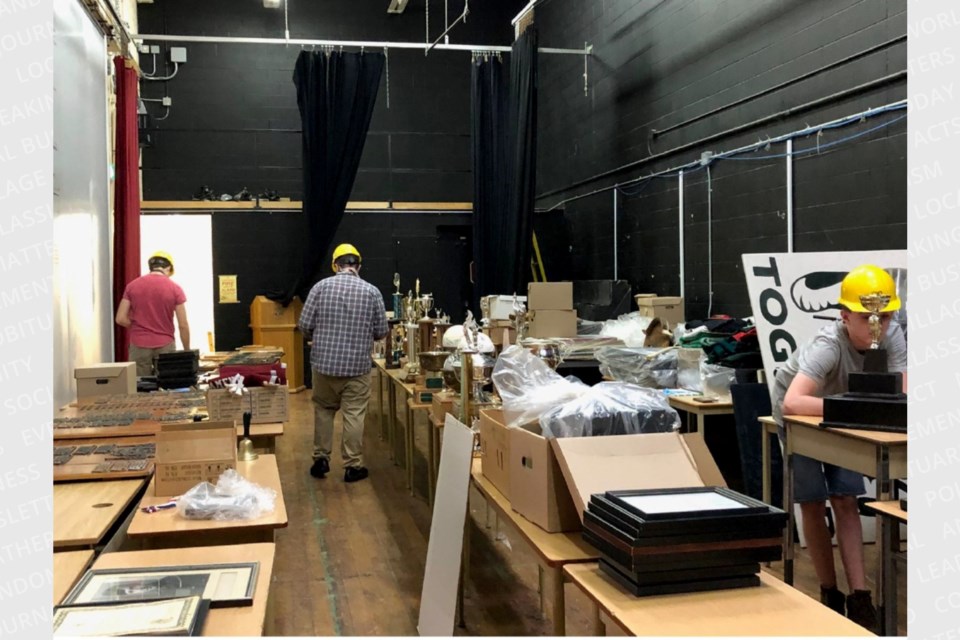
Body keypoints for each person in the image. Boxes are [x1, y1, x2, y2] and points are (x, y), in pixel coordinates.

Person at [772, 264, 907, 630]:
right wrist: (857, 406)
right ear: (845, 315)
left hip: (844, 410)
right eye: (867, 317)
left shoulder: (892, 335)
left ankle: (860, 596)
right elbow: (793, 402)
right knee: (813, 501)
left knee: (846, 499)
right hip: (804, 411)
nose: (878, 325)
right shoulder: (827, 346)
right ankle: (829, 592)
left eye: (887, 315)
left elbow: (904, 392)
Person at [298, 243, 388, 483]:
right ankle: (353, 466)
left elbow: (304, 325)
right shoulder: (372, 292)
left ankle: (321, 459)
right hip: (356, 368)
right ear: (358, 265)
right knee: (354, 415)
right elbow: (381, 331)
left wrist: (317, 336)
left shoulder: (320, 288)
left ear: (335, 265)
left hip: (323, 366)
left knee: (324, 411)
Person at [115, 251, 190, 376]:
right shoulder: (175, 289)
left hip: (139, 344)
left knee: (140, 387)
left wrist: (138, 326)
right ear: (168, 268)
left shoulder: (132, 286)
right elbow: (183, 324)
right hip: (165, 344)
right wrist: (186, 349)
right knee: (167, 385)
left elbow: (120, 318)